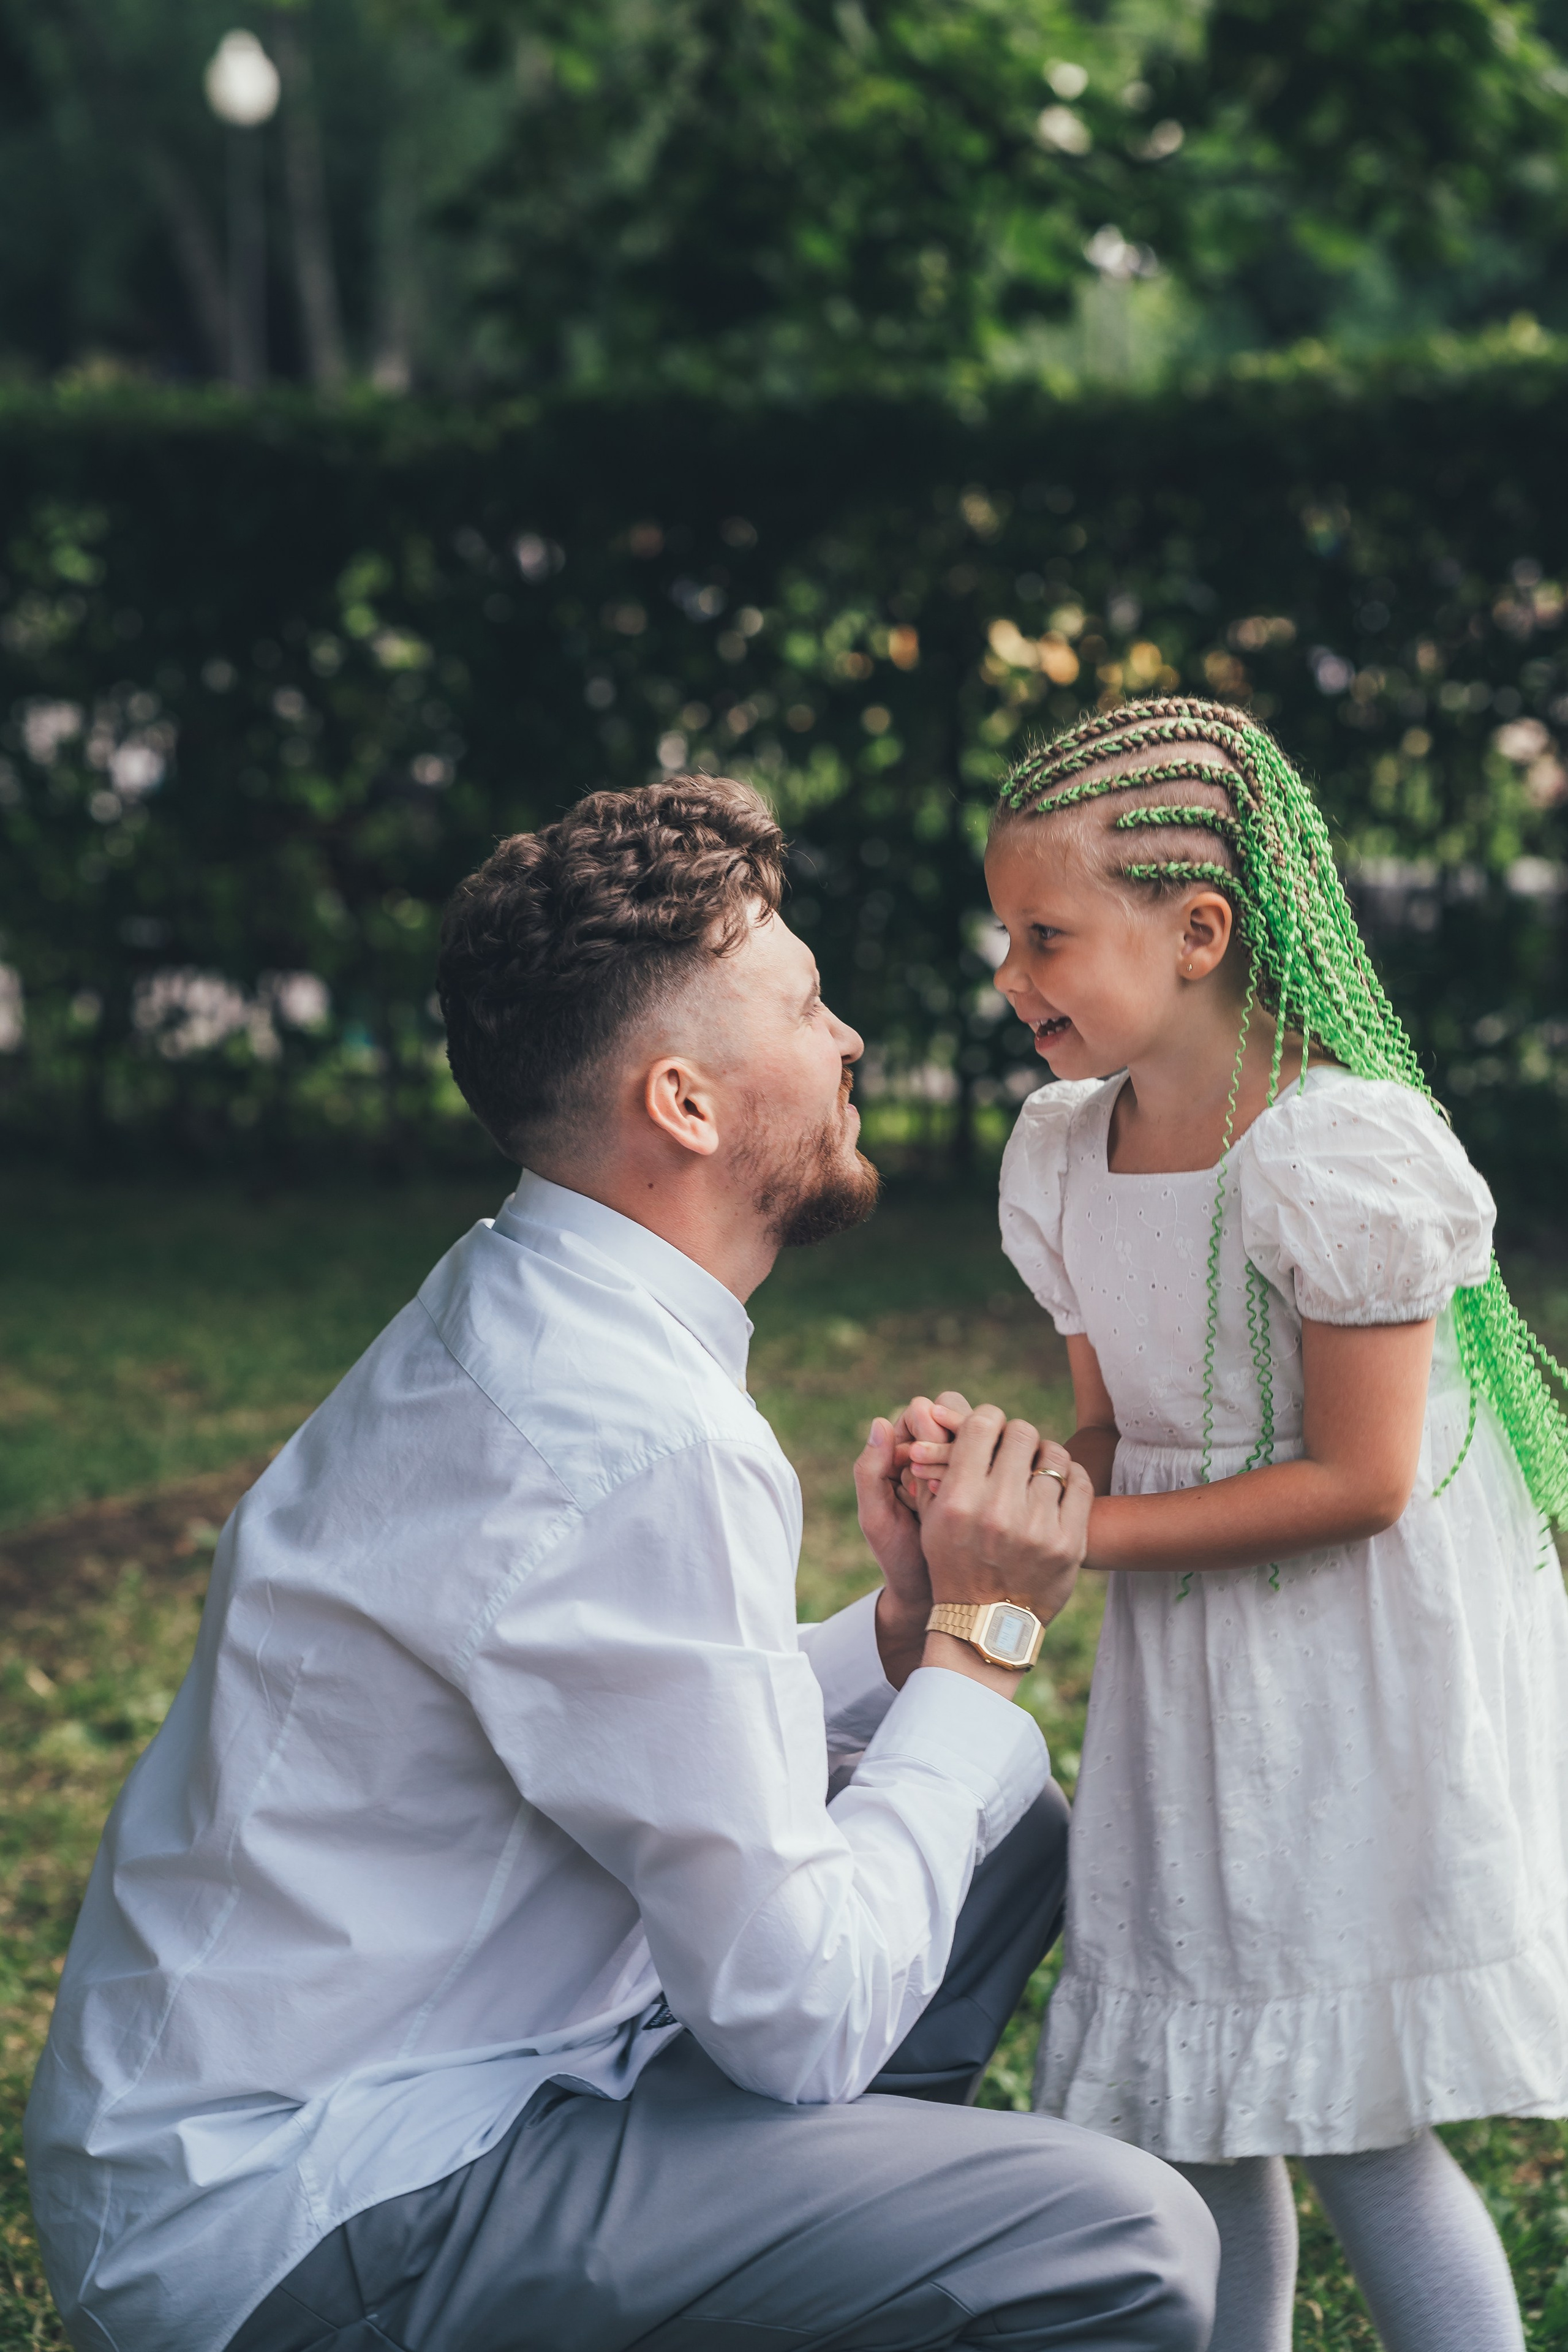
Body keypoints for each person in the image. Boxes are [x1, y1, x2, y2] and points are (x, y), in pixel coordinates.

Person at [26, 773, 1218, 2352]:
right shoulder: (636, 1436)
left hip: (376, 2092)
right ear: (685, 1104)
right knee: (1125, 2238)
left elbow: (607, 1704)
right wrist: (984, 1635)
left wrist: (901, 1635)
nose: (851, 1038)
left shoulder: (534, 1303)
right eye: (805, 1005)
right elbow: (802, 2018)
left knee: (998, 1834)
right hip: (303, 2213)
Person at [904, 697, 1568, 2352]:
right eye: (1006, 937)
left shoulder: (1340, 1148)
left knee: (1349, 2116)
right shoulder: (1065, 1152)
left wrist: (1076, 1540)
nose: (1010, 976)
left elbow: (1362, 1481)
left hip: (1340, 1676)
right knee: (1195, 2101)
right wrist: (1004, 1481)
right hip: (1189, 1675)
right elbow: (1115, 1433)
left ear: (1198, 932)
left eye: (1046, 936)